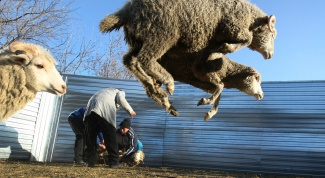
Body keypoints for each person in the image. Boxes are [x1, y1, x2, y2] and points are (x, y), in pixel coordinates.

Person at [84, 88, 136, 168]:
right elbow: (121, 99)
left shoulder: (103, 91)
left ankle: (90, 162)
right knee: (111, 137)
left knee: (91, 137)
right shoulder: (119, 92)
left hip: (90, 109)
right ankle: (114, 162)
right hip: (104, 108)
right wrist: (130, 110)